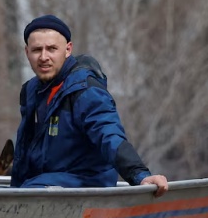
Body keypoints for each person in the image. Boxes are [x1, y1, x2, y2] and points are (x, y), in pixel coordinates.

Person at [10, 15, 168, 194]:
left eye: (52, 49)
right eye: (37, 50)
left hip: (85, 182)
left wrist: (139, 175)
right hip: (45, 181)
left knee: (29, 194)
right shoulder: (31, 90)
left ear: (68, 49)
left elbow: (109, 135)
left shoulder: (85, 90)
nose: (44, 57)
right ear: (26, 52)